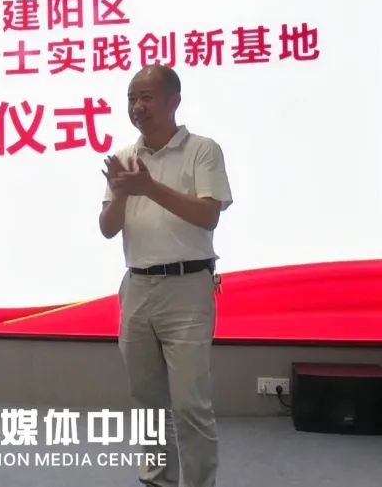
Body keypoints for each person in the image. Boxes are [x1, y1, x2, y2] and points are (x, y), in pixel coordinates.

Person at [99, 65, 232, 487]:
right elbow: (107, 228)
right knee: (147, 403)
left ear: (174, 101)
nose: (137, 107)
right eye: (131, 99)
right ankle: (157, 481)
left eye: (146, 97)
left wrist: (149, 188)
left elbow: (208, 215)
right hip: (136, 287)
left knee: (191, 405)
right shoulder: (124, 158)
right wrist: (122, 194)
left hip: (187, 288)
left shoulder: (202, 150)